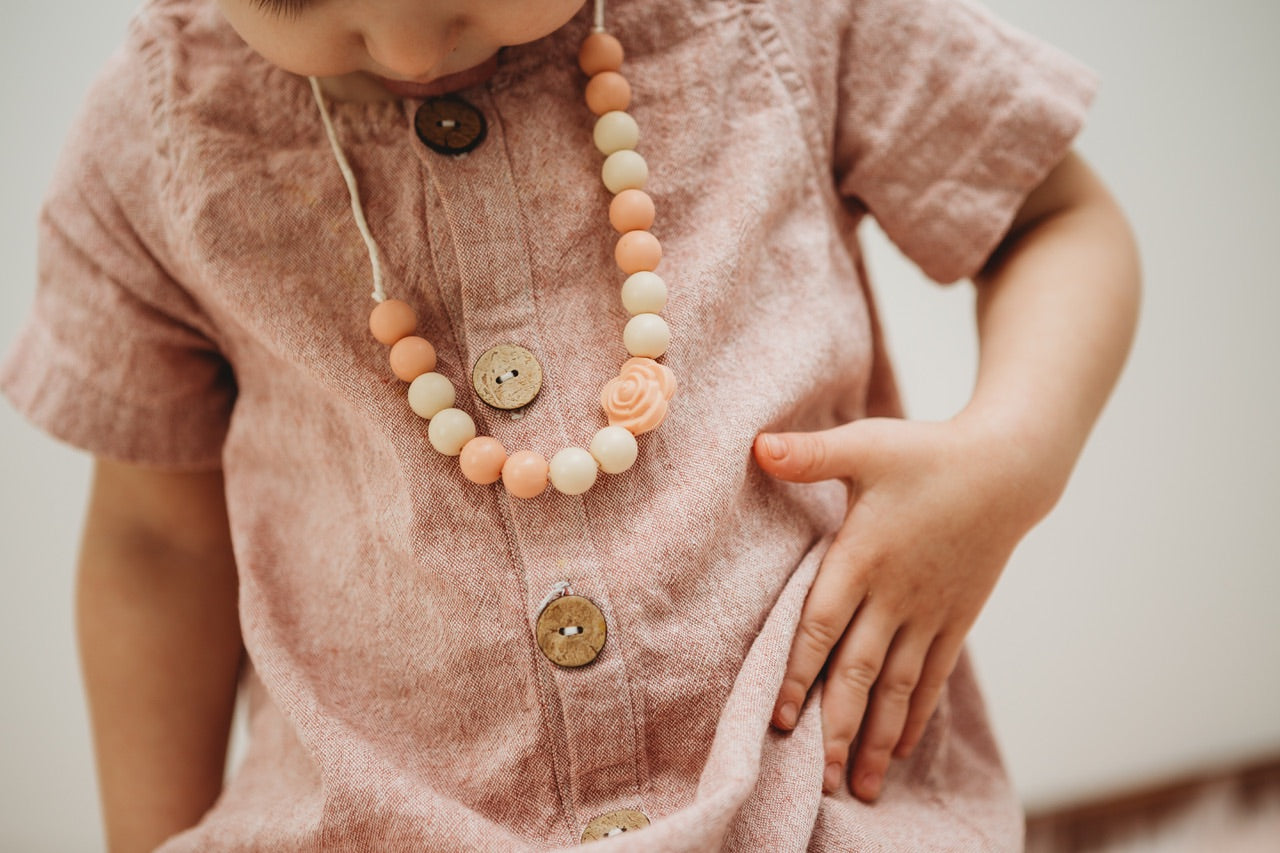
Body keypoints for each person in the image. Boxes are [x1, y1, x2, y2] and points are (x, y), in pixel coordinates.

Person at [0, 0, 1140, 848]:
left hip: (809, 796)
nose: (404, 47)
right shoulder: (151, 137)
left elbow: (1054, 219)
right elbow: (160, 540)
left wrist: (1007, 458)